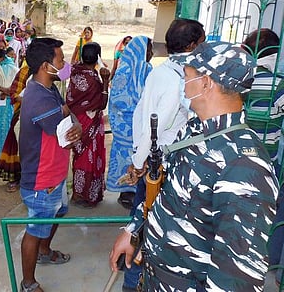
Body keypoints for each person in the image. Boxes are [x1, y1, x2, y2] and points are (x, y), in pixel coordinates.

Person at [109, 42, 279, 291]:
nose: (183, 85)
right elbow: (166, 190)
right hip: (155, 278)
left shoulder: (245, 165)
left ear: (206, 83)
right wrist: (134, 229)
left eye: (187, 77)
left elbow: (236, 277)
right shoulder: (195, 131)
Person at [121, 19, 205, 290]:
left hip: (163, 163)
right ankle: (133, 283)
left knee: (151, 231)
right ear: (192, 45)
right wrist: (138, 162)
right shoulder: (174, 80)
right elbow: (151, 126)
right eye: (201, 42)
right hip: (160, 168)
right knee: (143, 230)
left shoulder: (171, 72)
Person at [19, 37, 81, 292]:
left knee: (57, 215)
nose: (65, 63)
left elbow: (67, 112)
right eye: (61, 60)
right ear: (46, 66)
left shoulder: (49, 88)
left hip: (55, 175)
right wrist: (75, 128)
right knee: (35, 229)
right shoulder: (38, 98)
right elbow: (65, 137)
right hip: (41, 181)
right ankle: (28, 283)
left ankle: (45, 251)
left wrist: (74, 122)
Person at [242, 28, 284, 285]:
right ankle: (265, 258)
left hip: (237, 153)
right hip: (267, 157)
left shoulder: (241, 77)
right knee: (268, 207)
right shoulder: (279, 82)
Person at [107, 36, 153, 208]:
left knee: (124, 155)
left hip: (120, 124)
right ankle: (134, 192)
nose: (152, 54)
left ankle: (125, 191)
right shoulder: (145, 69)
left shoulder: (122, 68)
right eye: (149, 50)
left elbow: (115, 99)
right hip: (136, 123)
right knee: (138, 154)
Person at [66, 42, 110, 208]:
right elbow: (101, 103)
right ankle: (88, 194)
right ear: (98, 57)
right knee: (89, 158)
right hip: (90, 125)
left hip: (77, 122)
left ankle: (78, 193)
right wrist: (105, 81)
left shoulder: (76, 71)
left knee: (79, 156)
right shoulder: (92, 78)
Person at [0, 61, 30, 192]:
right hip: (21, 114)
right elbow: (14, 93)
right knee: (15, 144)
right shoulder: (24, 72)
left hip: (40, 117)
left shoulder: (50, 73)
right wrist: (26, 99)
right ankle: (14, 178)